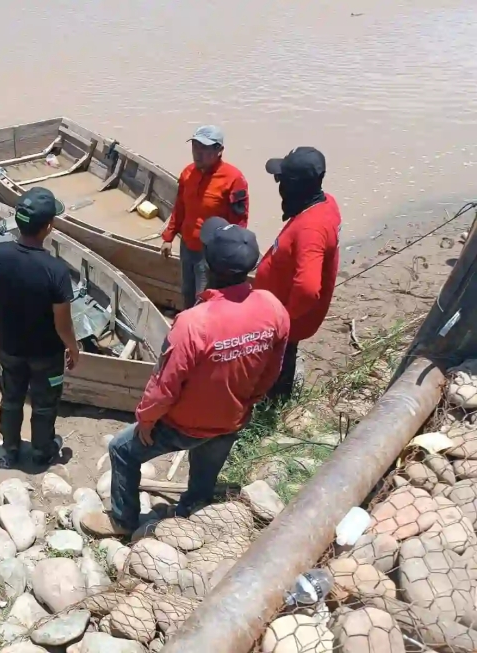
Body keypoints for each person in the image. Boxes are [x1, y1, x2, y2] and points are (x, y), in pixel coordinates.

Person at [82, 217, 290, 537]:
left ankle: (123, 521)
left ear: (208, 266)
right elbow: (271, 371)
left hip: (184, 425)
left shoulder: (193, 323)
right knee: (207, 466)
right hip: (232, 418)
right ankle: (193, 506)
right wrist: (247, 403)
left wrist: (147, 419)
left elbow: (165, 386)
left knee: (122, 450)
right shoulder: (274, 308)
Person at [0, 187, 80, 468]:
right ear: (49, 227)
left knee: (11, 397)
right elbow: (63, 323)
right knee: (45, 403)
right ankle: (41, 450)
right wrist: (73, 348)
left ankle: (9, 449)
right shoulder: (55, 271)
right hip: (47, 356)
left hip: (9, 348)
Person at [254, 146, 341, 403]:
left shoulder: (311, 229)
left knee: (279, 364)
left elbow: (307, 289)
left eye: (280, 180)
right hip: (286, 315)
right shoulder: (326, 204)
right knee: (285, 357)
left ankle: (273, 408)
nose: (278, 185)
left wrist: (282, 324)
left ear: (293, 186)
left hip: (286, 323)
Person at [160, 125, 250, 310]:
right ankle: (187, 325)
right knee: (187, 290)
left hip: (210, 254)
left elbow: (239, 223)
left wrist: (230, 258)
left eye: (204, 148)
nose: (197, 153)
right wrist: (169, 236)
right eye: (195, 146)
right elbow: (180, 207)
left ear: (219, 150)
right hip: (187, 245)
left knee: (204, 298)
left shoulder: (233, 179)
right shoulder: (187, 173)